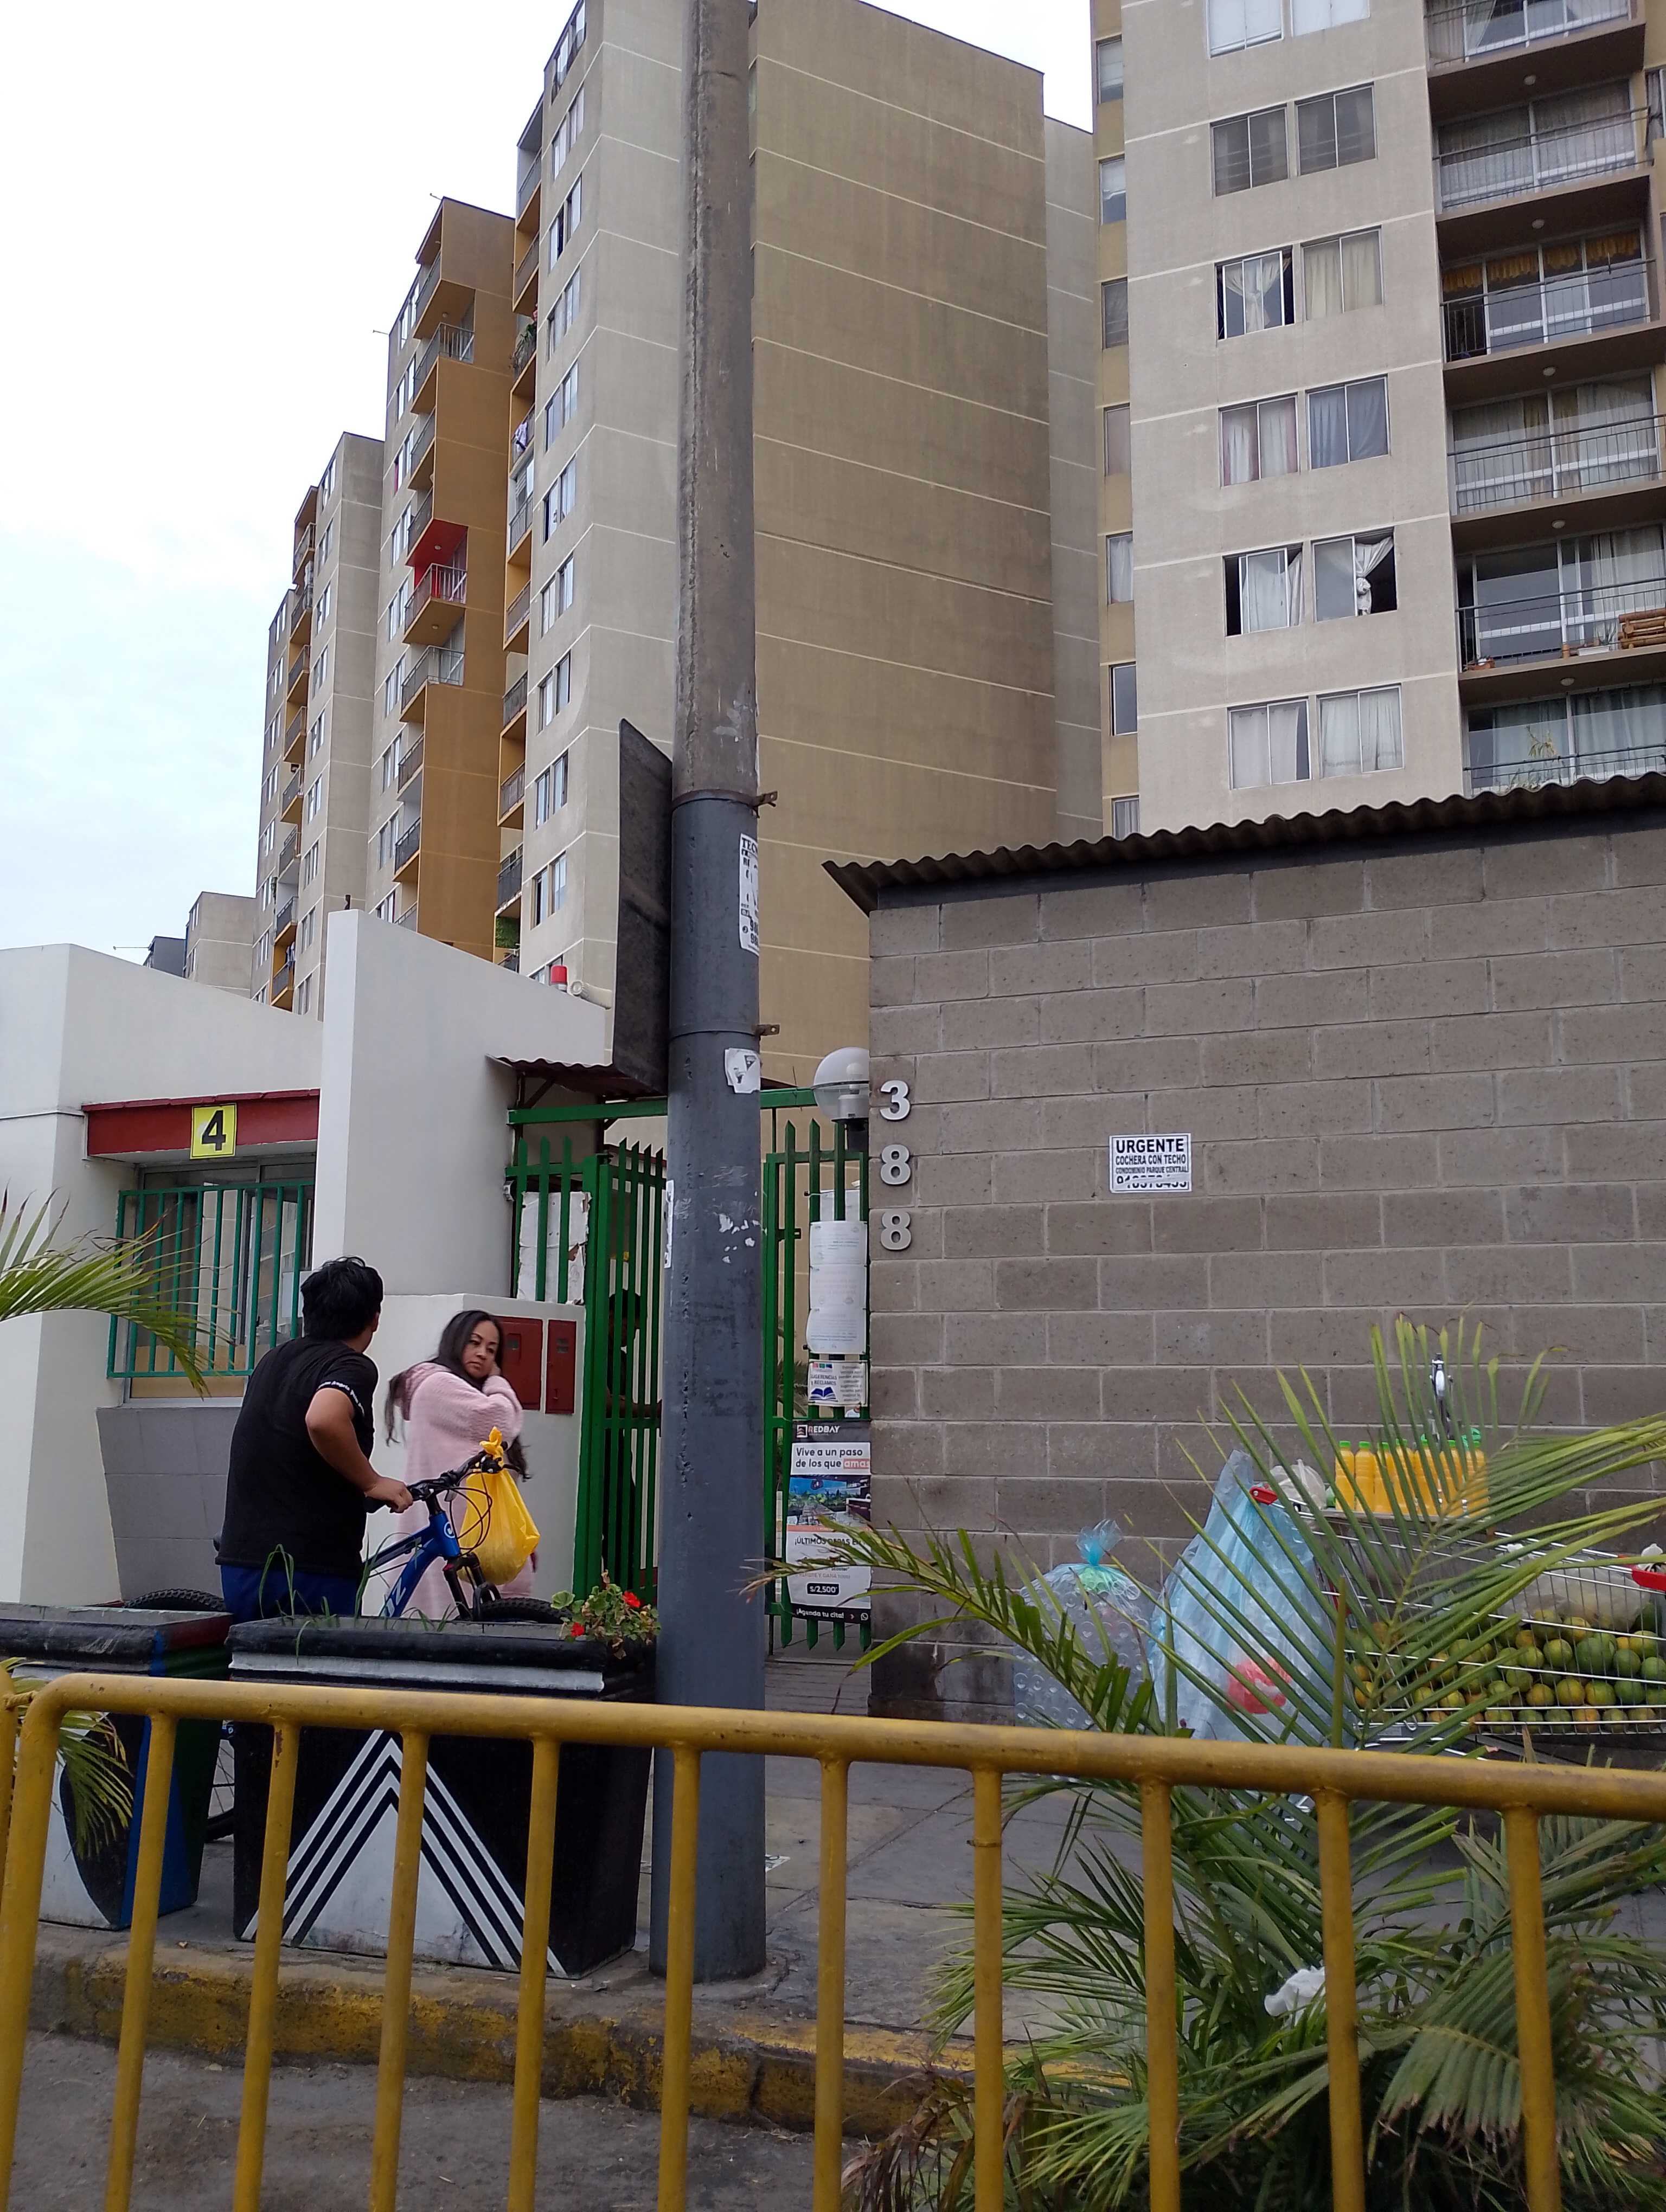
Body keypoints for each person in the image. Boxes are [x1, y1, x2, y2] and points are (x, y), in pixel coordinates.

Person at [218, 1255, 411, 1623]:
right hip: (310, 1568)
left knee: (252, 1659)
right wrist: (372, 1482)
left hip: (242, 1562)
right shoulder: (351, 1364)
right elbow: (324, 1419)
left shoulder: (272, 1360)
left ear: (309, 1313)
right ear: (375, 1318)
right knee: (318, 1661)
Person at [380, 1310, 530, 1618]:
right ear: (455, 1341)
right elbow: (500, 1419)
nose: (482, 1354)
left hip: (465, 1521)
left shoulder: (458, 1390)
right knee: (461, 1616)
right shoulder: (439, 1386)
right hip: (456, 1522)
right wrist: (497, 1380)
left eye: (491, 1349)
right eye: (474, 1343)